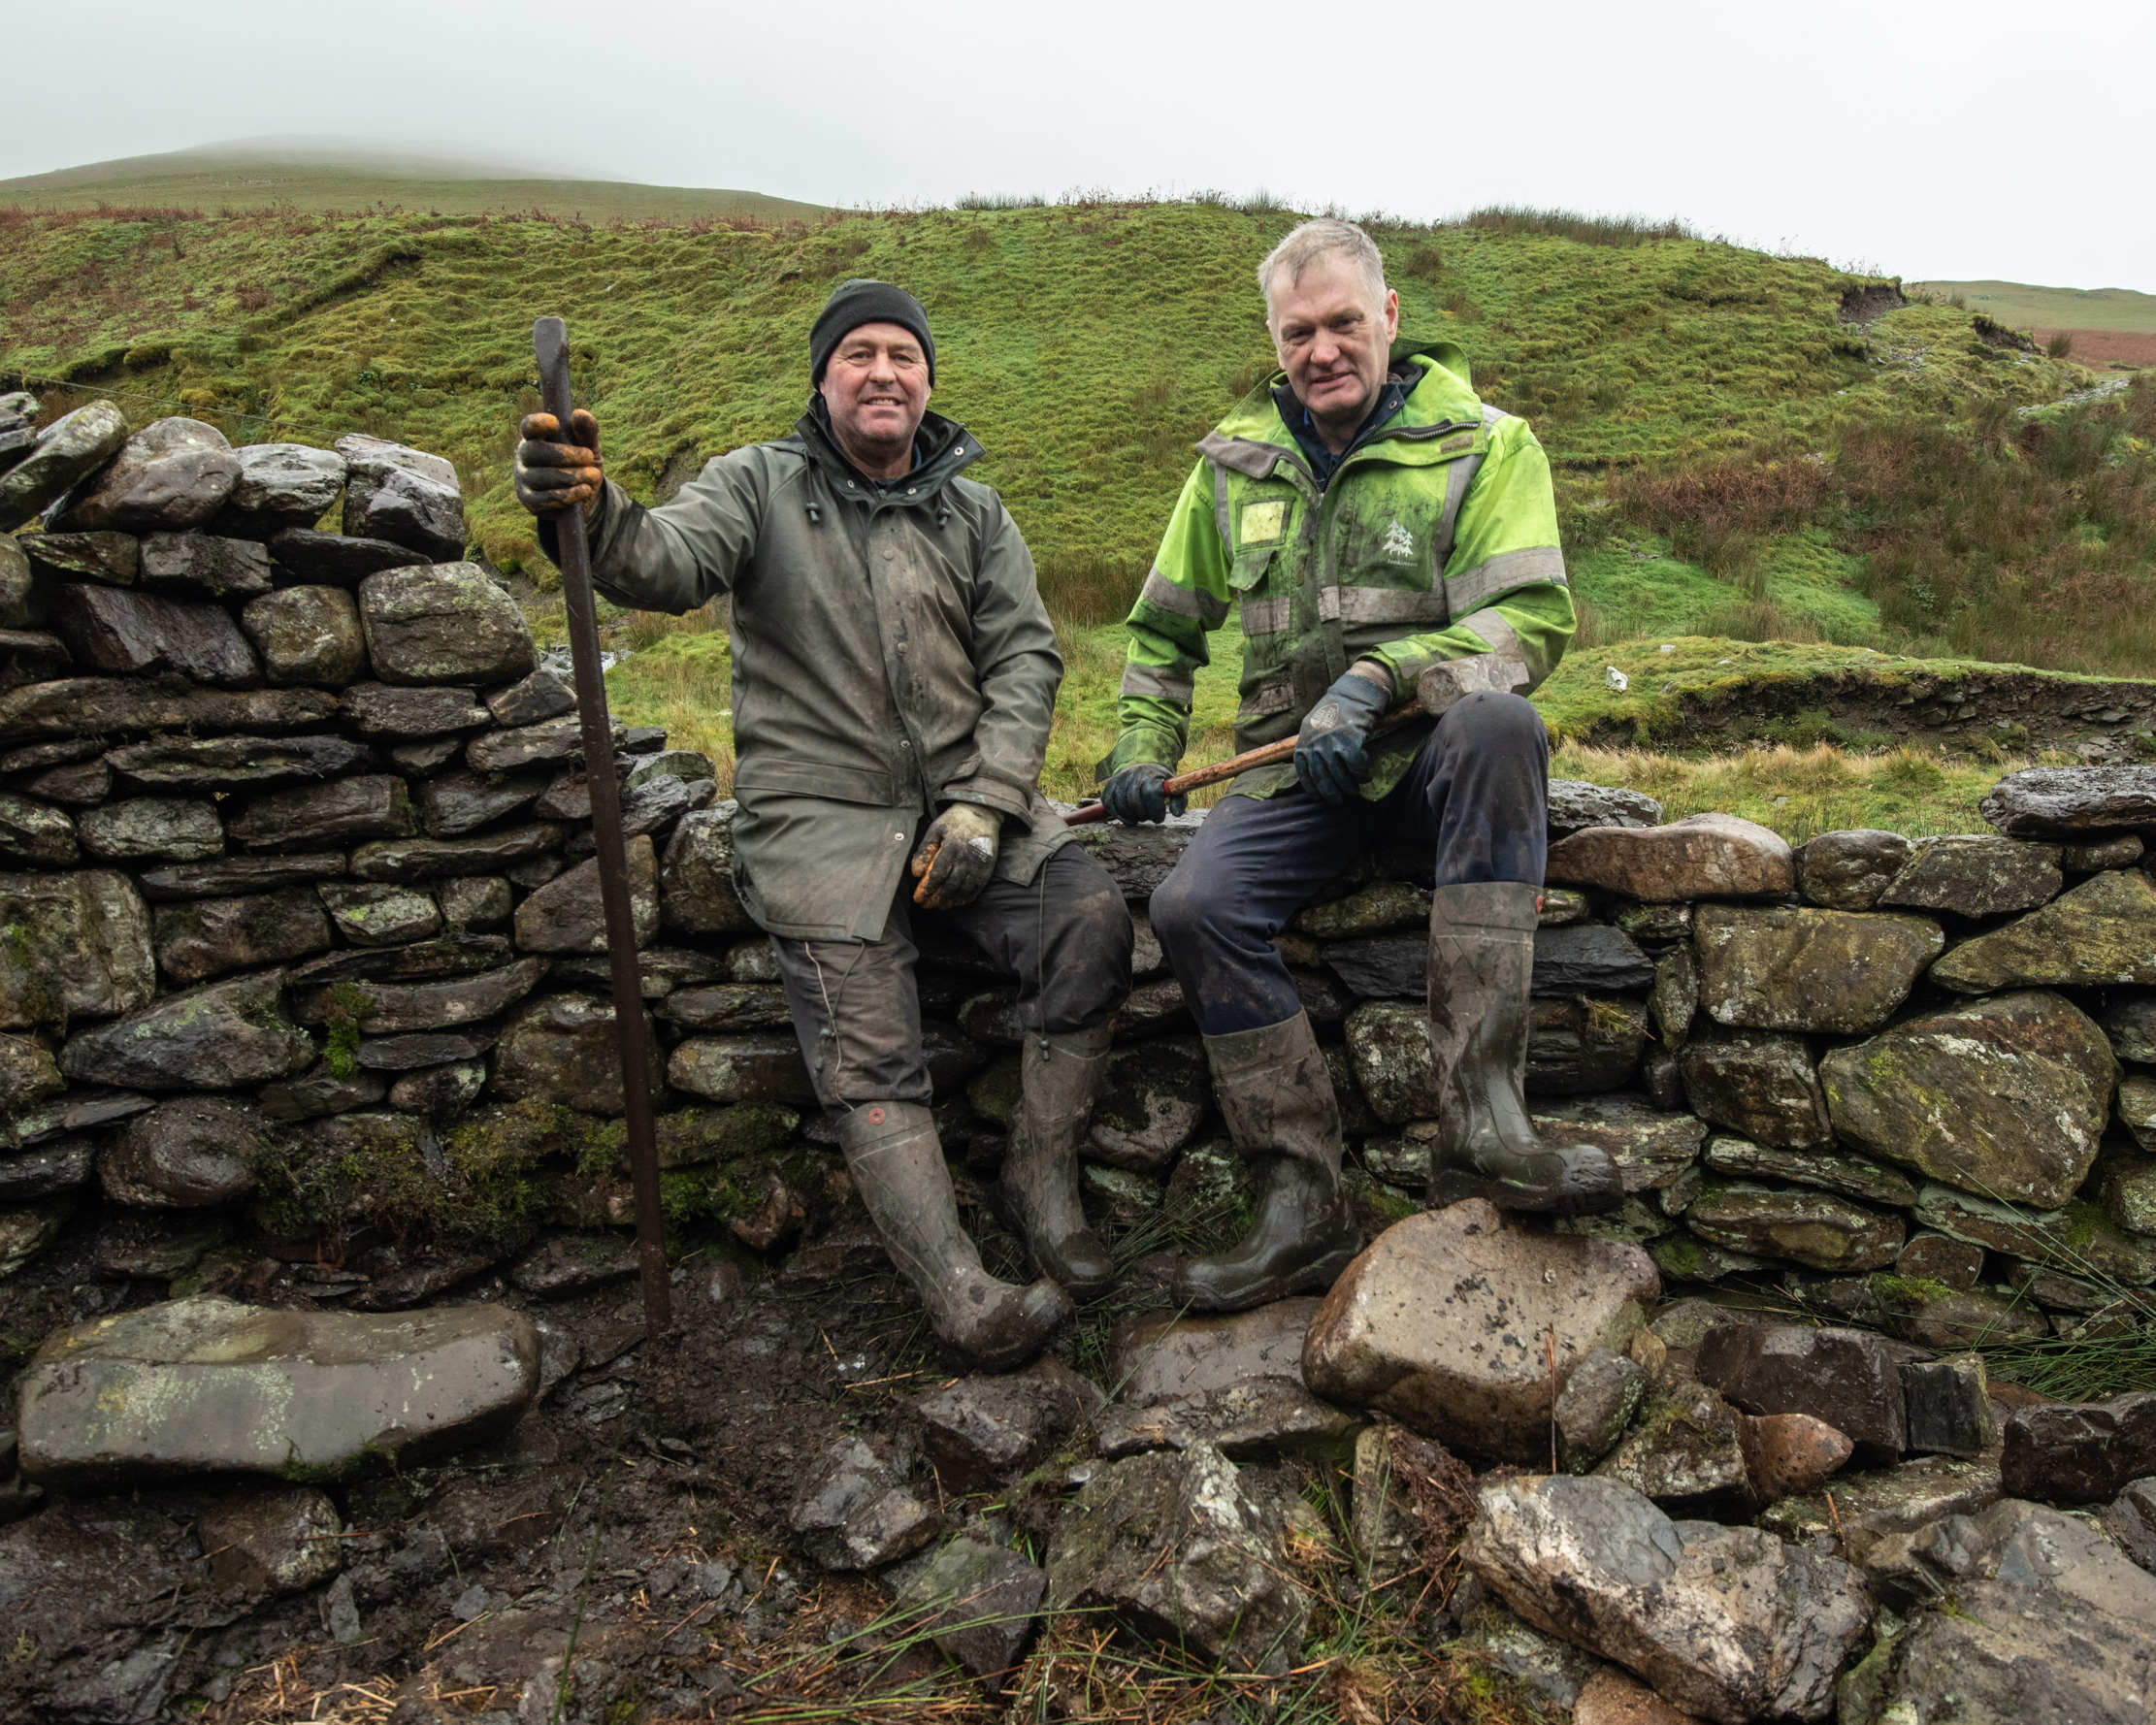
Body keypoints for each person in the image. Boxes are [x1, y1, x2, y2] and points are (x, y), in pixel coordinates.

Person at [515, 278, 1133, 1370]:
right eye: (858, 354)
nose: (883, 370)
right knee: (869, 1039)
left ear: (929, 379)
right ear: (822, 378)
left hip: (962, 815)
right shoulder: (759, 484)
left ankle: (1042, 1181)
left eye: (903, 353)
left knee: (1087, 912)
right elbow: (659, 563)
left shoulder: (972, 512)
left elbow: (1027, 657)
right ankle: (958, 1292)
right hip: (822, 831)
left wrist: (987, 805)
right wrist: (585, 504)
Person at [1100, 217, 1621, 1314]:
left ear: (1387, 316)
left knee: (1499, 727)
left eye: (1343, 322)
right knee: (1193, 903)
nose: (1322, 349)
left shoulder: (1486, 444)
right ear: (1272, 337)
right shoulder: (1229, 469)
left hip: (1433, 769)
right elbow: (1160, 635)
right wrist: (1141, 755)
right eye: (1298, 332)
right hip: (1291, 782)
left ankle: (1482, 1116)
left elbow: (1525, 625)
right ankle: (1299, 1202)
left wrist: (1381, 680)